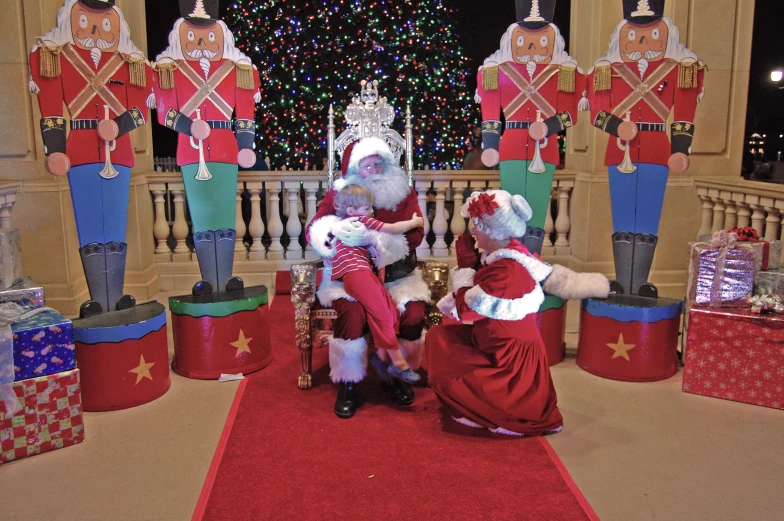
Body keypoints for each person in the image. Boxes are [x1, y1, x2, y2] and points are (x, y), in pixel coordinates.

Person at [427, 190, 610, 436]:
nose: (472, 231)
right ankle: (480, 405)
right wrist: (471, 265)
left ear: (492, 230)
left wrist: (464, 270)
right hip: (492, 342)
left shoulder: (507, 270)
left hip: (508, 362)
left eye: (476, 225)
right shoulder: (504, 253)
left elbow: (466, 312)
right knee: (439, 338)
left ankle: (496, 410)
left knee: (447, 369)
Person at [29, 0, 154, 317]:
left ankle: (117, 297)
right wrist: (56, 148)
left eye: (104, 21)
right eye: (86, 20)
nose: (96, 29)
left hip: (119, 152)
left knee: (115, 227)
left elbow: (141, 111)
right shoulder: (56, 58)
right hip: (80, 150)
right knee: (89, 229)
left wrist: (119, 126)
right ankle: (99, 300)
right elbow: (52, 109)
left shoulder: (131, 63)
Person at [587, 0, 705, 297]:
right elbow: (597, 112)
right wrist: (617, 127)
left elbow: (684, 113)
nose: (642, 42)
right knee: (624, 217)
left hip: (656, 150)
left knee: (648, 218)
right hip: (619, 149)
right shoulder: (606, 70)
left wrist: (680, 149)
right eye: (634, 34)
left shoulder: (681, 69)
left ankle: (638, 283)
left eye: (652, 34)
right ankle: (622, 282)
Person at [307, 136, 430, 418]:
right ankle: (349, 382)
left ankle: (395, 375)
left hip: (396, 276)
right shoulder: (342, 194)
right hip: (349, 275)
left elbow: (415, 232)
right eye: (366, 165)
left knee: (412, 314)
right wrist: (334, 231)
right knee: (352, 313)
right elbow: (315, 228)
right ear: (354, 168)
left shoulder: (403, 192)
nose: (373, 170)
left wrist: (387, 248)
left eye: (379, 164)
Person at [153, 0, 260, 295]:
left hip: (226, 149)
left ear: (221, 35)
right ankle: (209, 281)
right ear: (181, 35)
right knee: (201, 217)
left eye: (209, 35)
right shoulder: (169, 70)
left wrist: (246, 145)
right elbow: (164, 112)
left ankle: (224, 279)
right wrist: (190, 127)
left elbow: (246, 112)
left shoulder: (238, 69)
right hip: (191, 150)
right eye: (193, 35)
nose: (201, 42)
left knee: (224, 215)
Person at [476, 0, 585, 255]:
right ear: (512, 38)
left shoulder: (564, 72)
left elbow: (571, 116)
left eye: (541, 39)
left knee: (535, 211)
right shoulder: (496, 71)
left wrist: (548, 126)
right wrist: (491, 145)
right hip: (511, 146)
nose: (533, 46)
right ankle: (513, 264)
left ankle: (532, 264)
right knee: (512, 209)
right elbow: (490, 113)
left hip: (544, 149)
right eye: (524, 39)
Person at [331, 183, 424, 384]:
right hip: (355, 273)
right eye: (368, 208)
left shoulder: (350, 224)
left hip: (363, 274)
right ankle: (399, 364)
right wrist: (414, 222)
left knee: (389, 309)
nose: (372, 211)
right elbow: (392, 229)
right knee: (382, 311)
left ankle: (382, 356)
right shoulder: (358, 221)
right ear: (351, 211)